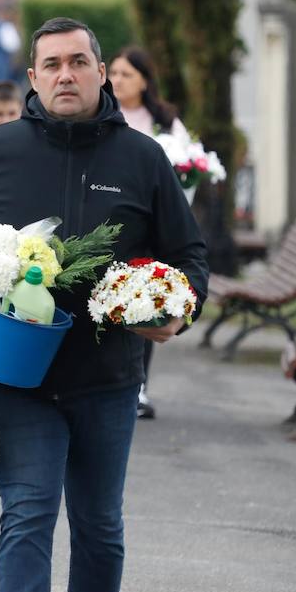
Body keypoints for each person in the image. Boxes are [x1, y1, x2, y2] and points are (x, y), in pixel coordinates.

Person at [0, 18, 207, 592]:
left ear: (102, 72)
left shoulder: (142, 159)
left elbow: (191, 257)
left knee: (99, 523)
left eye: (78, 62)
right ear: (32, 78)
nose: (65, 75)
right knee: (27, 509)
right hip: (18, 374)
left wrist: (173, 311)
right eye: (51, 64)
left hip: (109, 377)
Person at [107, 46, 190, 420]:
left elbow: (187, 164)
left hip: (150, 227)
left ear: (144, 80)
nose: (118, 81)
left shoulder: (164, 122)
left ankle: (139, 385)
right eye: (115, 73)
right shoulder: (104, 115)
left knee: (145, 298)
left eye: (127, 74)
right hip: (112, 223)